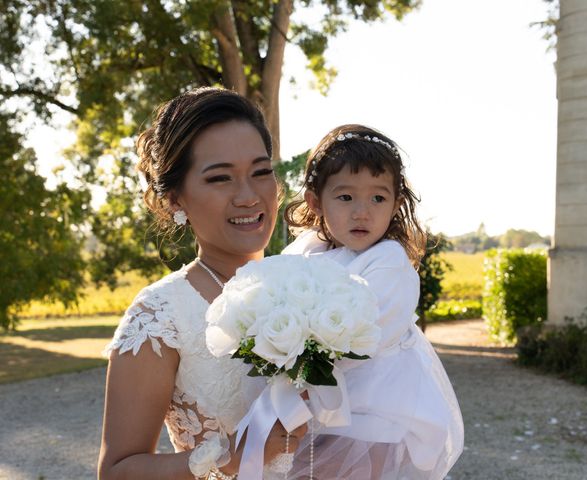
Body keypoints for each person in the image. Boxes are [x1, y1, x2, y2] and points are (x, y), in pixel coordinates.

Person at [98, 87, 307, 480]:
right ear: (175, 198)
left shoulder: (308, 285)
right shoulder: (160, 316)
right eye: (220, 178)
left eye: (261, 172)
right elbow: (116, 472)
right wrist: (229, 458)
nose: (249, 196)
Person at [282, 124, 464, 479]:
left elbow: (363, 339)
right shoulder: (308, 250)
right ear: (315, 202)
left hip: (377, 408)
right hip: (324, 404)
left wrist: (299, 377)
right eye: (346, 197)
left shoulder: (389, 262)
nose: (361, 212)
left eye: (377, 198)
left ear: (396, 204)